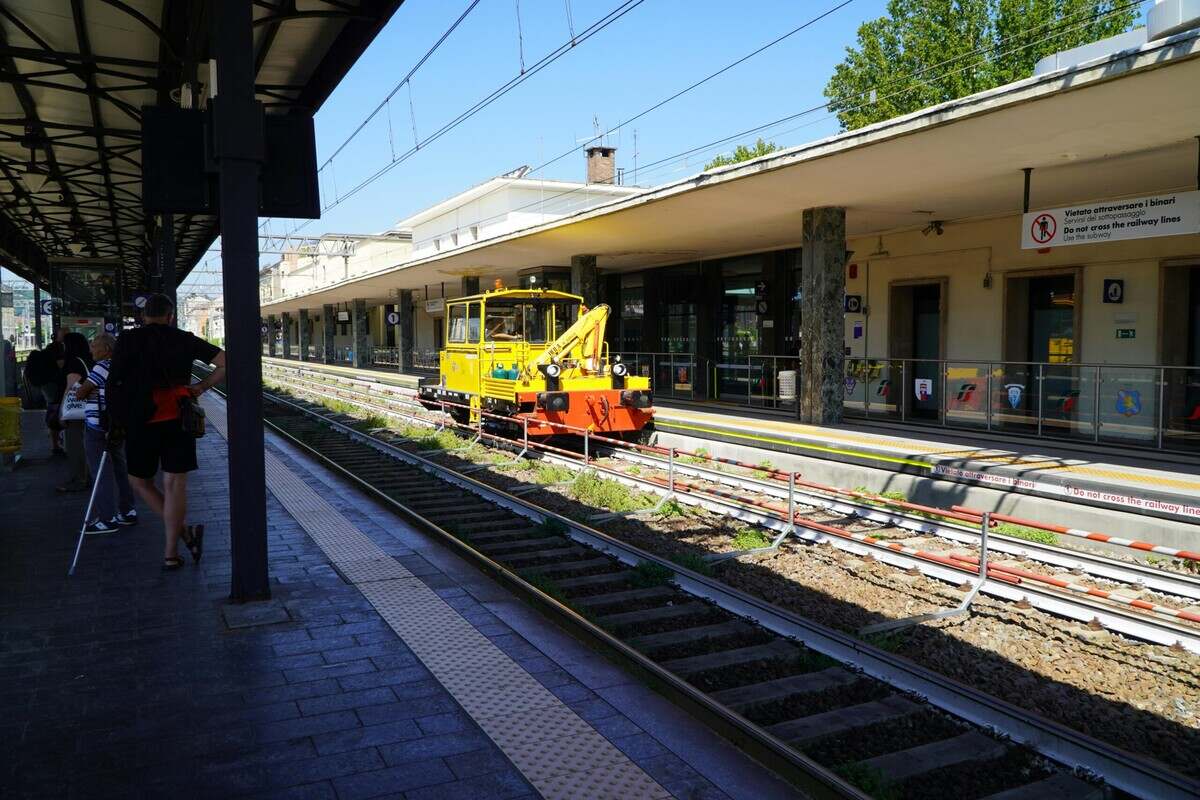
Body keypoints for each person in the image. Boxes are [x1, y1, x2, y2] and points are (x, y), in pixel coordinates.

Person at [108, 294, 225, 571]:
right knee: (174, 485)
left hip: (140, 420)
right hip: (178, 418)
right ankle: (171, 552)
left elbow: (114, 382)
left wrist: (115, 420)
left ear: (143, 316)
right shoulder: (184, 338)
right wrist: (199, 388)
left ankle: (184, 535)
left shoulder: (128, 340)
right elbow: (224, 362)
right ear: (171, 316)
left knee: (140, 482)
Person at [74, 333, 137, 534]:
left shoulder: (101, 367)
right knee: (120, 467)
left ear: (107, 350)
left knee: (100, 471)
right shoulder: (124, 367)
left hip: (97, 426)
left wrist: (85, 390)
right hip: (116, 425)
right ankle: (127, 511)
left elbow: (80, 392)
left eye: (94, 346)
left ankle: (107, 519)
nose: (91, 350)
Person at [57, 332, 93, 492]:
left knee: (75, 445)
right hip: (90, 410)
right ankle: (87, 476)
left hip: (77, 413)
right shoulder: (89, 360)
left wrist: (62, 411)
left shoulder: (73, 363)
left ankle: (80, 479)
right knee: (86, 444)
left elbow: (70, 388)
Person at [23, 344, 64, 456]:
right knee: (55, 411)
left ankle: (55, 443)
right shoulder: (55, 359)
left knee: (52, 409)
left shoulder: (42, 357)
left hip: (45, 386)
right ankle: (57, 443)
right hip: (53, 387)